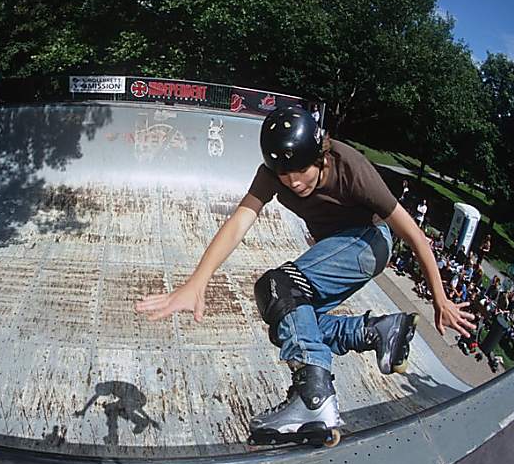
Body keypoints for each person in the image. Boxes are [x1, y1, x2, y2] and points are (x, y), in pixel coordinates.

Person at [135, 106, 474, 442]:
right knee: (290, 319)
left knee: (279, 286)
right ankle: (374, 331)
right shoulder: (272, 174)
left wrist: (440, 299)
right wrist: (197, 281)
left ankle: (314, 397)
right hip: (337, 250)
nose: (294, 182)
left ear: (320, 157)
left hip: (369, 242)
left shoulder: (351, 167)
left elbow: (414, 235)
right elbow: (240, 220)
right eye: (285, 174)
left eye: (301, 171)